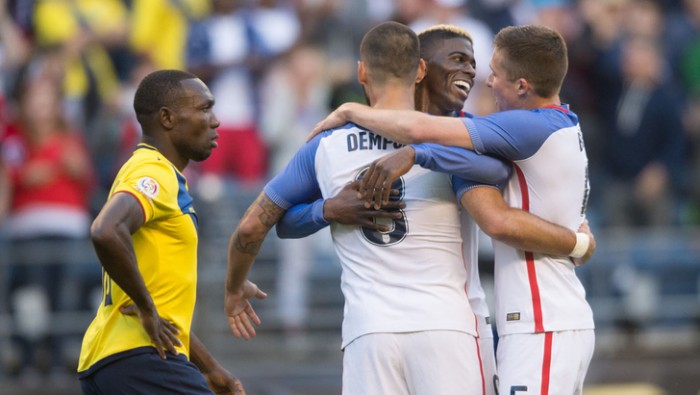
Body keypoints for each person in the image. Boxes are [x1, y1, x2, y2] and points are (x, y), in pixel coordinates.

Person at [310, 24, 596, 395]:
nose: (488, 81)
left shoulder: (530, 126)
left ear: (523, 86)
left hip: (542, 322)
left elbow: (423, 131)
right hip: (544, 322)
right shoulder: (553, 126)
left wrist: (351, 110)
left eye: (496, 73)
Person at [225, 21, 501, 394]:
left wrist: (235, 287)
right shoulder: (453, 136)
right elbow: (501, 168)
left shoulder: (324, 145)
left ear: (361, 72)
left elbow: (251, 228)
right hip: (446, 325)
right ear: (420, 71)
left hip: (369, 332)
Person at [77, 69, 248, 395]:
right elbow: (105, 230)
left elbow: (160, 306)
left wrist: (211, 368)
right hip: (142, 359)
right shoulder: (154, 171)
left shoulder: (153, 171)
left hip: (113, 361)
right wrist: (145, 308)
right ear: (167, 118)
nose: (215, 121)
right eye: (203, 109)